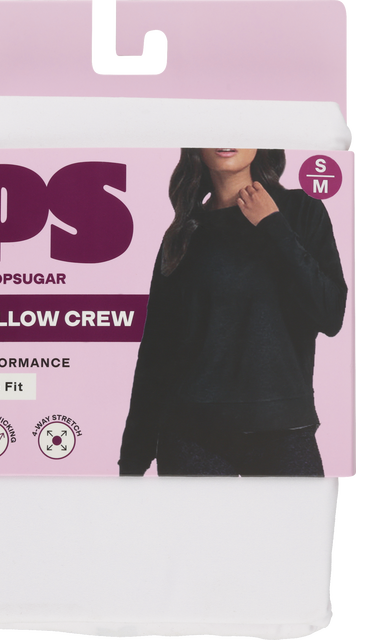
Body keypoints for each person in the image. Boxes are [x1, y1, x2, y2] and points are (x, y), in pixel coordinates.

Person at [119, 148, 347, 476]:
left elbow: (331, 315)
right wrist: (133, 459)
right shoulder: (183, 233)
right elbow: (156, 351)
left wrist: (273, 225)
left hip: (282, 428)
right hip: (190, 433)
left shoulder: (300, 210)